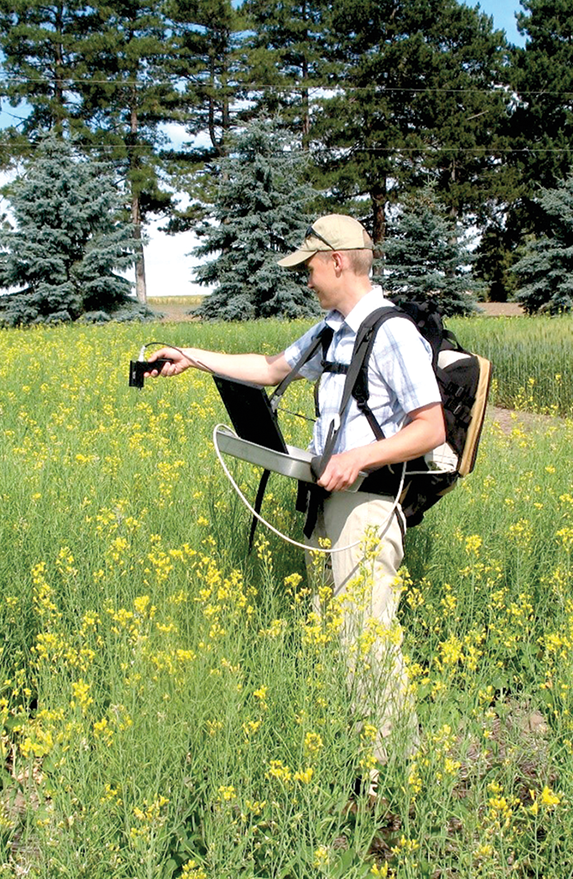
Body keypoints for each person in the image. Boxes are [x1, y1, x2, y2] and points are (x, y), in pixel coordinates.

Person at [149, 214, 444, 782]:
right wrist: (190, 355)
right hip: (323, 500)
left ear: (337, 261)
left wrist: (358, 457)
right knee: (330, 627)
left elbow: (429, 426)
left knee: (367, 637)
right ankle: (350, 749)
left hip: (368, 503)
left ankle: (395, 772)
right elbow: (269, 368)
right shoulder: (331, 328)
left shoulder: (393, 332)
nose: (306, 277)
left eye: (310, 265)